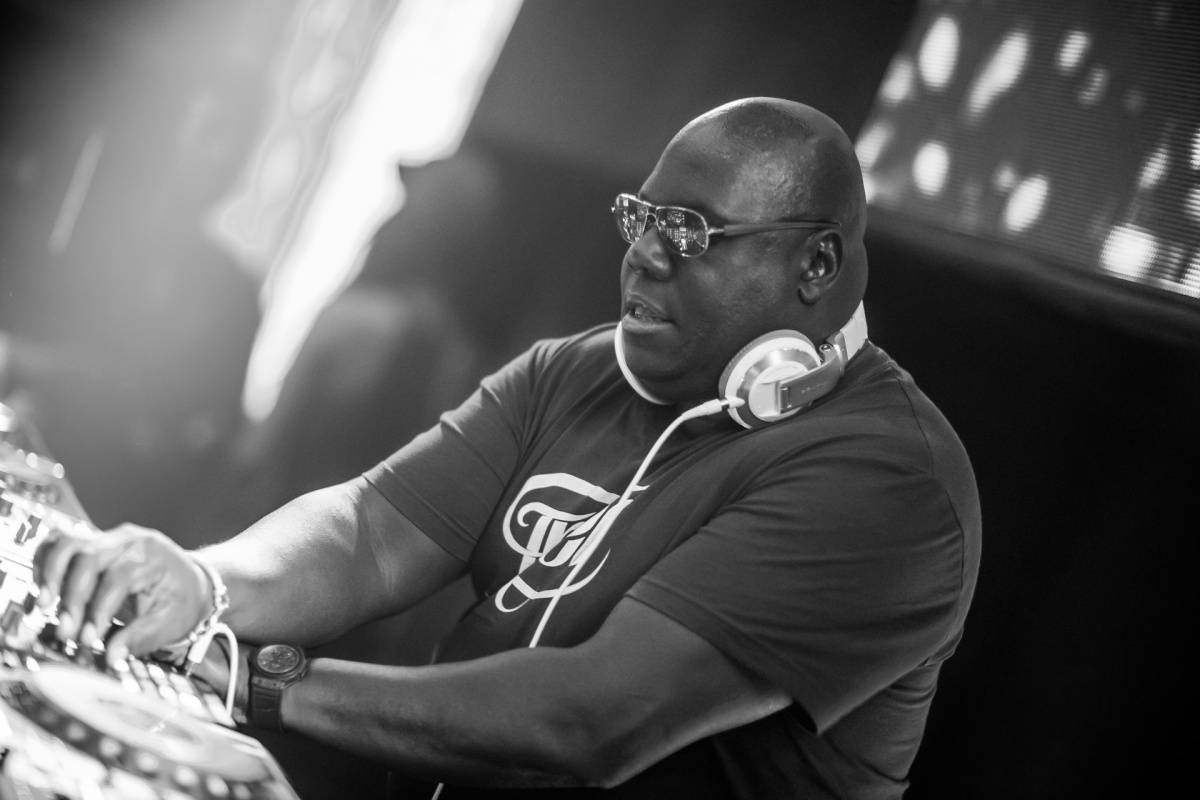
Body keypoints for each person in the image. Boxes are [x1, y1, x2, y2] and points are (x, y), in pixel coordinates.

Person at [32, 97, 981, 799]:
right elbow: (370, 532)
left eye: (690, 231)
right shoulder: (578, 370)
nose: (646, 254)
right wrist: (203, 584)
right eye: (640, 219)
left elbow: (592, 718)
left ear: (816, 264)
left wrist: (255, 677)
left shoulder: (890, 484)